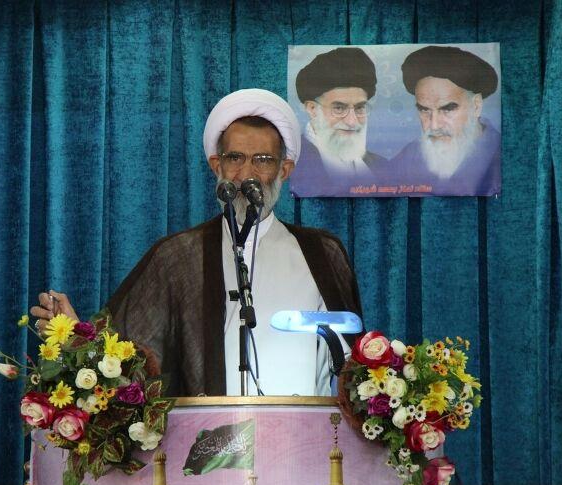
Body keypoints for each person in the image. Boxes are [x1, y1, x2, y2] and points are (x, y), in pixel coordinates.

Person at [30, 88, 362, 397]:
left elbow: (352, 369)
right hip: (208, 437)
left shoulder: (320, 253)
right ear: (217, 165)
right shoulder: (179, 255)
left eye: (262, 159)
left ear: (284, 170)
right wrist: (78, 338)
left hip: (303, 434)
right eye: (235, 158)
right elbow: (130, 359)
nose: (247, 173)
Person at [388, 45, 501, 196]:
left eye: (447, 109)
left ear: (476, 106)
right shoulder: (410, 156)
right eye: (424, 110)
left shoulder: (502, 156)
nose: (434, 125)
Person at [290, 47, 387, 197]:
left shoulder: (382, 166)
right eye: (339, 108)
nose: (352, 121)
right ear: (312, 109)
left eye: (360, 107)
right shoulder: (292, 164)